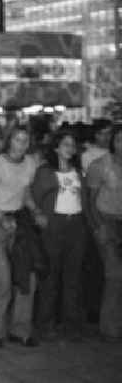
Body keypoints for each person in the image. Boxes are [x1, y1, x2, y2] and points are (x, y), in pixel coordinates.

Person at [0, 126, 40, 348]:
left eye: (25, 140)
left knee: (27, 277)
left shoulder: (30, 163)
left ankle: (20, 329)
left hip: (19, 221)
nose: (22, 144)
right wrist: (2, 220)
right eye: (17, 139)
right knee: (2, 279)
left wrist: (36, 211)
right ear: (9, 141)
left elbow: (26, 193)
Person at [31, 130, 87, 342]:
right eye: (65, 144)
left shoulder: (78, 171)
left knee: (73, 277)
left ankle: (70, 324)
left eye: (72, 145)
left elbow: (85, 200)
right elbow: (35, 198)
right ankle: (46, 324)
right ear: (56, 148)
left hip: (76, 226)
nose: (70, 149)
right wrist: (39, 216)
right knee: (51, 276)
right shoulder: (45, 171)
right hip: (54, 227)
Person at [85, 125, 122, 342]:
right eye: (119, 140)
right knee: (115, 275)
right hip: (105, 220)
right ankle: (109, 328)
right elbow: (90, 202)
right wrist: (98, 227)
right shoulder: (100, 166)